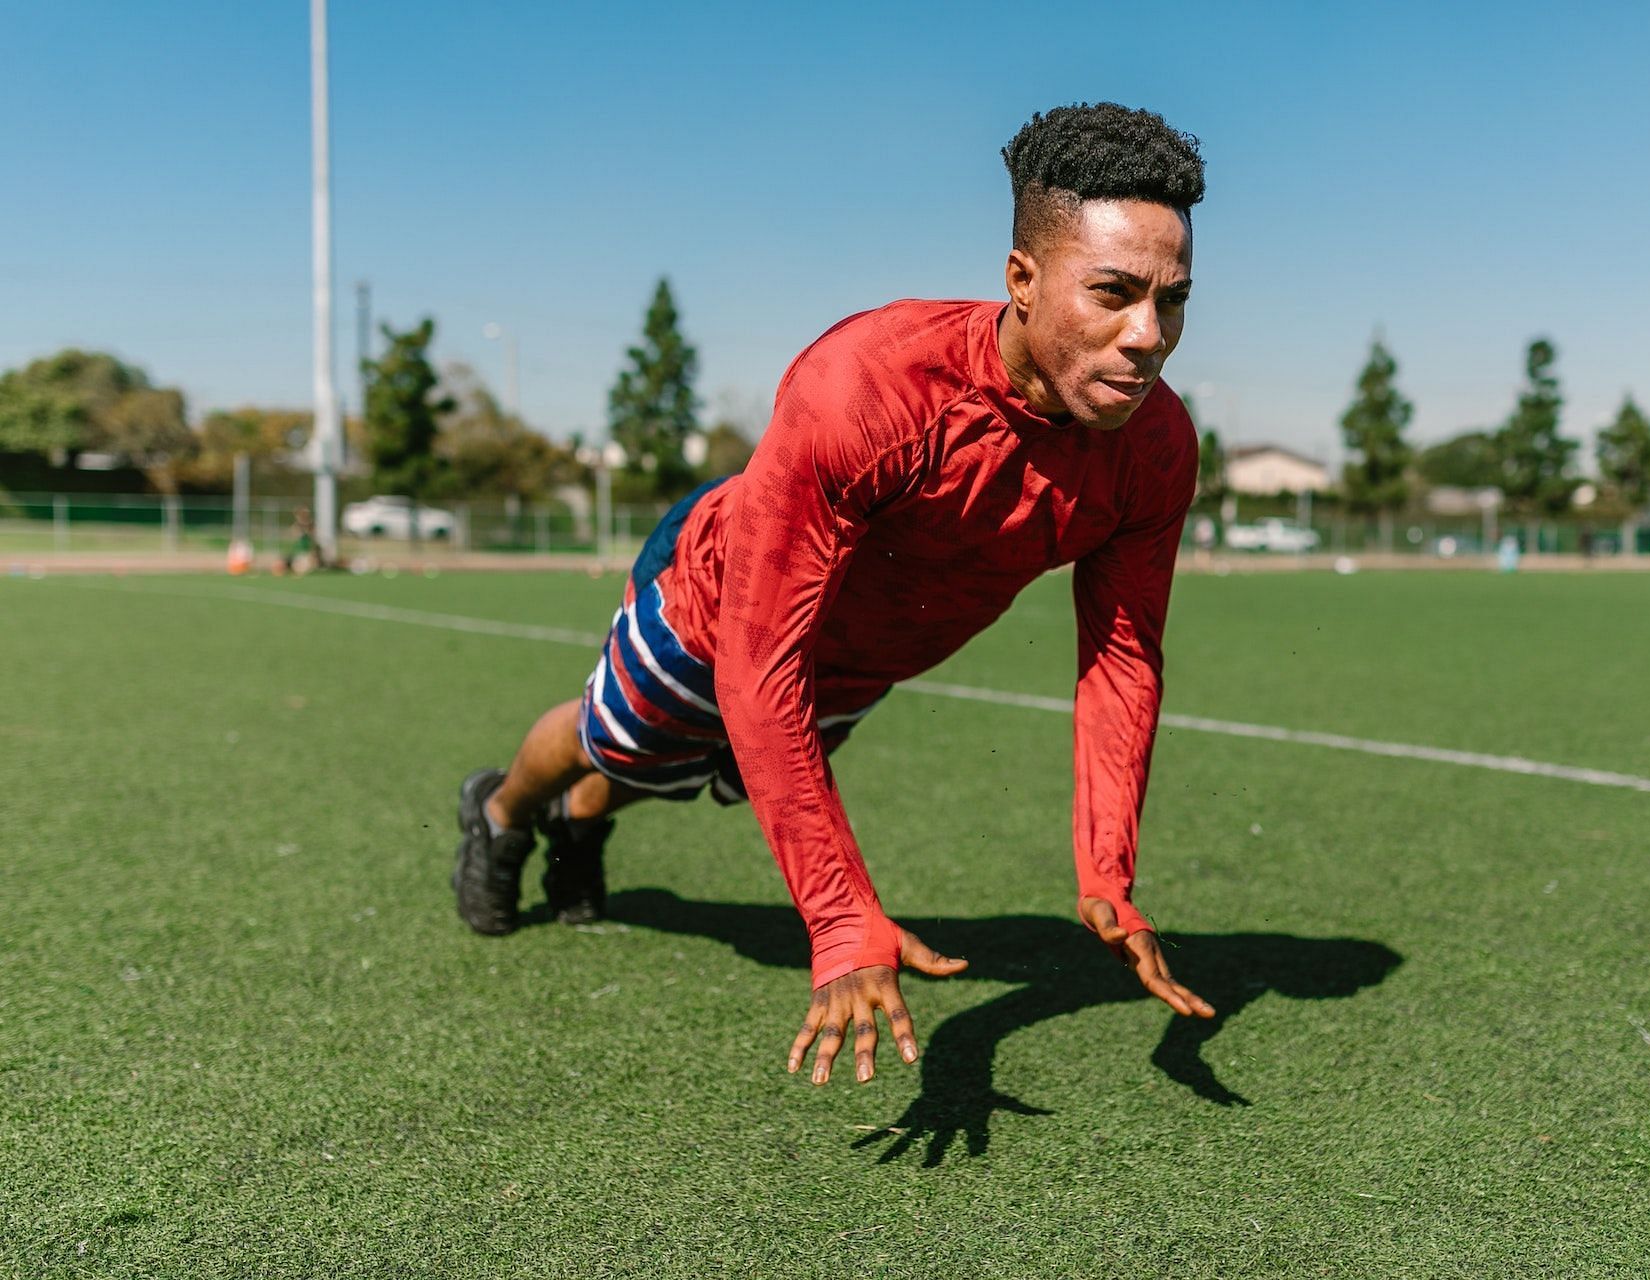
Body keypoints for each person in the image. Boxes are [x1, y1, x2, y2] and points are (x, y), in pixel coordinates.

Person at [453, 102, 1216, 1087]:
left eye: (1174, 300)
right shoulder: (868, 387)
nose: (1148, 336)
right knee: (622, 735)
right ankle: (506, 812)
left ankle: (589, 820)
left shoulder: (1156, 447)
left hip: (861, 657)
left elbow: (1121, 658)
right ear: (1022, 280)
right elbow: (758, 659)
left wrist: (1108, 870)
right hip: (722, 597)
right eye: (1113, 291)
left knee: (700, 771)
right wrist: (840, 914)